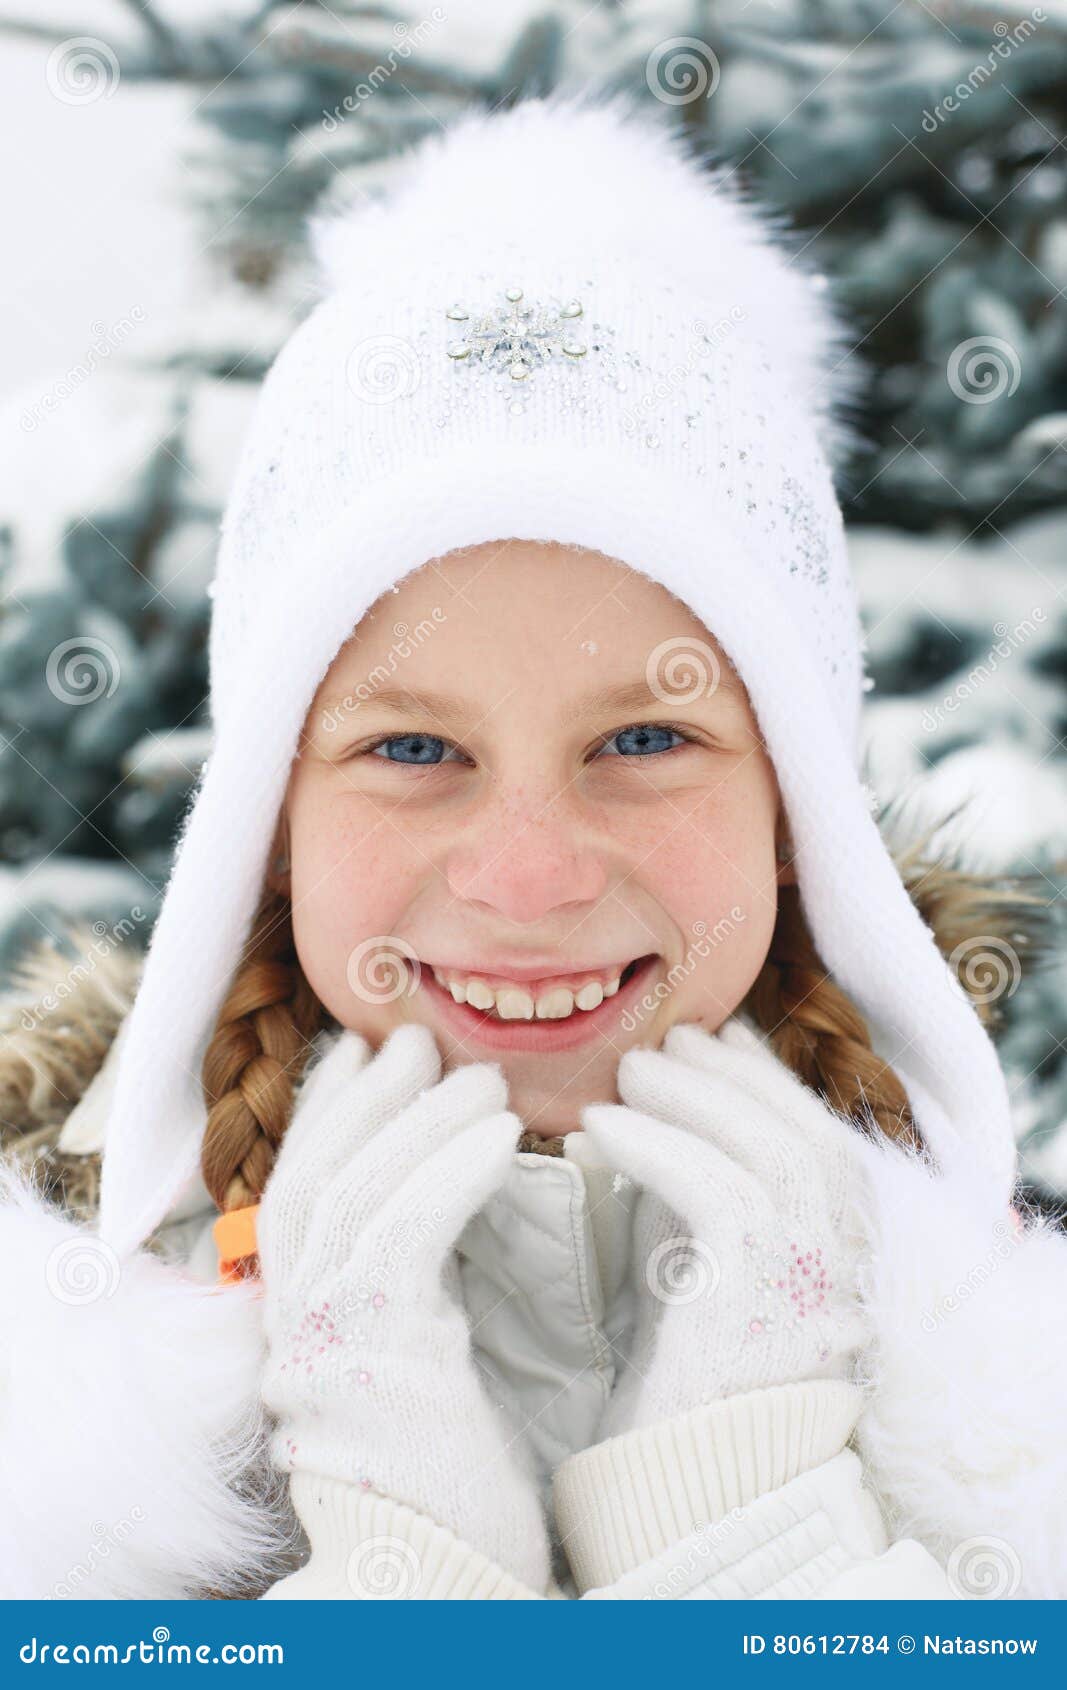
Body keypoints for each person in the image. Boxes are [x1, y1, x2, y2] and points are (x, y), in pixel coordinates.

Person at [2, 93, 1065, 1602]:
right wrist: (397, 1586)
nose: (530, 873)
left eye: (644, 740)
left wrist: (758, 1544)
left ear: (797, 816)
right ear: (267, 828)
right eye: (413, 750)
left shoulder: (1032, 1391)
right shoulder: (45, 1392)